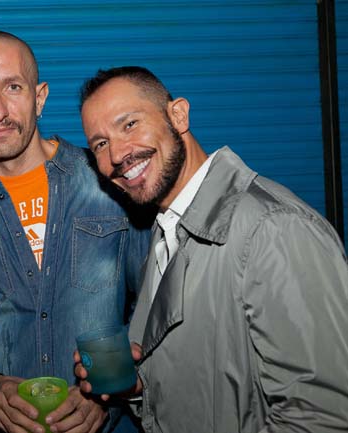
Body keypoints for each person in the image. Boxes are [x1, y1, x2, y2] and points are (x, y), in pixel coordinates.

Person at [75, 66, 348, 432]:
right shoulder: (166, 230)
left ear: (178, 115)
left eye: (129, 124)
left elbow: (324, 417)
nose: (117, 154)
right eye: (100, 144)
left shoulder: (275, 228)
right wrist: (138, 389)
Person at [0, 31, 149, 433]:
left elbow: (153, 308)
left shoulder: (109, 184)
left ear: (39, 97)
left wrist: (107, 393)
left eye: (13, 87)